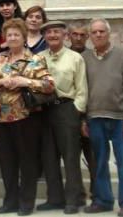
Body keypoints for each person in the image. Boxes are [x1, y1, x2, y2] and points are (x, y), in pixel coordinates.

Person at [0, 18, 55, 216]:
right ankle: (10, 201)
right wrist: (2, 82)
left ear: (24, 37)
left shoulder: (35, 59)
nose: (13, 38)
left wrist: (25, 81)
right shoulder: (0, 58)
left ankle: (26, 202)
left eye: (17, 34)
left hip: (26, 117)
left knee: (27, 162)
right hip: (1, 118)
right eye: (9, 35)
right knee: (7, 163)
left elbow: (49, 85)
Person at [82, 19, 123, 217]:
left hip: (119, 118)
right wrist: (84, 120)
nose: (98, 35)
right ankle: (103, 200)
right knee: (99, 162)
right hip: (94, 118)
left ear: (108, 33)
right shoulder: (85, 58)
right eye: (94, 32)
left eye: (101, 31)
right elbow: (83, 89)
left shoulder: (122, 55)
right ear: (90, 36)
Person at [37, 21, 88, 214]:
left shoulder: (75, 58)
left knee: (71, 157)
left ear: (64, 35)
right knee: (49, 157)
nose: (52, 35)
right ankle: (54, 198)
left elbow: (82, 89)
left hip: (67, 110)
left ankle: (74, 199)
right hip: (44, 111)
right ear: (44, 37)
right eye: (49, 32)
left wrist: (76, 111)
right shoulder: (39, 58)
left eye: (56, 32)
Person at [68, 25, 96, 201]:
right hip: (69, 113)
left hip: (90, 113)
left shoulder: (92, 57)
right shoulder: (64, 55)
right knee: (72, 157)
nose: (78, 38)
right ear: (69, 36)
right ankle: (77, 193)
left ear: (87, 37)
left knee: (93, 156)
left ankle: (96, 191)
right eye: (75, 34)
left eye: (82, 35)